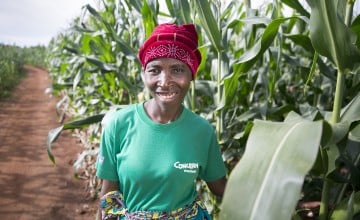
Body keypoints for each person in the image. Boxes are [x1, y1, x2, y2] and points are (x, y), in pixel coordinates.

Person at [95, 23, 227, 220]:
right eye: (155, 70)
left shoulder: (202, 131)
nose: (164, 81)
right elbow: (109, 197)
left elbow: (220, 187)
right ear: (144, 74)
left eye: (177, 70)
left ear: (191, 74)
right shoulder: (119, 125)